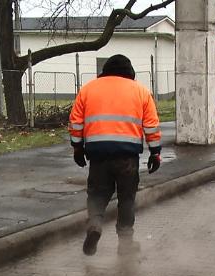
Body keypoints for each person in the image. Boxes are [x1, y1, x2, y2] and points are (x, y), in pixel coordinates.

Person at [68, 54, 162, 256]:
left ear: (106, 70)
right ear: (130, 73)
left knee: (97, 194)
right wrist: (155, 153)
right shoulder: (141, 91)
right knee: (126, 198)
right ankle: (125, 244)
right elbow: (151, 126)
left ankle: (95, 225)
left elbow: (76, 122)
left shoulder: (89, 89)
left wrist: (77, 147)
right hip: (127, 157)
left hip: (98, 154)